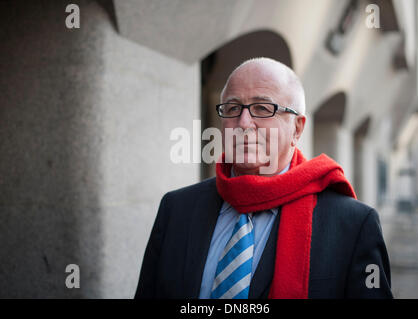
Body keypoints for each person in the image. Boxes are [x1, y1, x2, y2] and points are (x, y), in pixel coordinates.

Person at [135, 57, 393, 299]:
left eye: (262, 108)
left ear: (297, 128)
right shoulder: (176, 209)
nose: (244, 122)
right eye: (233, 108)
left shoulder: (353, 225)